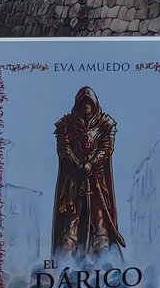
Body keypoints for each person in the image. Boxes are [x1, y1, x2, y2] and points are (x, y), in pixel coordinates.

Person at [51, 86, 125, 257]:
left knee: (100, 226)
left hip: (98, 182)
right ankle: (65, 264)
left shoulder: (106, 123)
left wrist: (91, 163)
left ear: (95, 103)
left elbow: (107, 148)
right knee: (71, 226)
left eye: (89, 102)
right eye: (83, 102)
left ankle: (105, 264)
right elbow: (64, 148)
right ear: (77, 103)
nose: (86, 105)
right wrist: (79, 164)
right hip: (73, 185)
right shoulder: (66, 124)